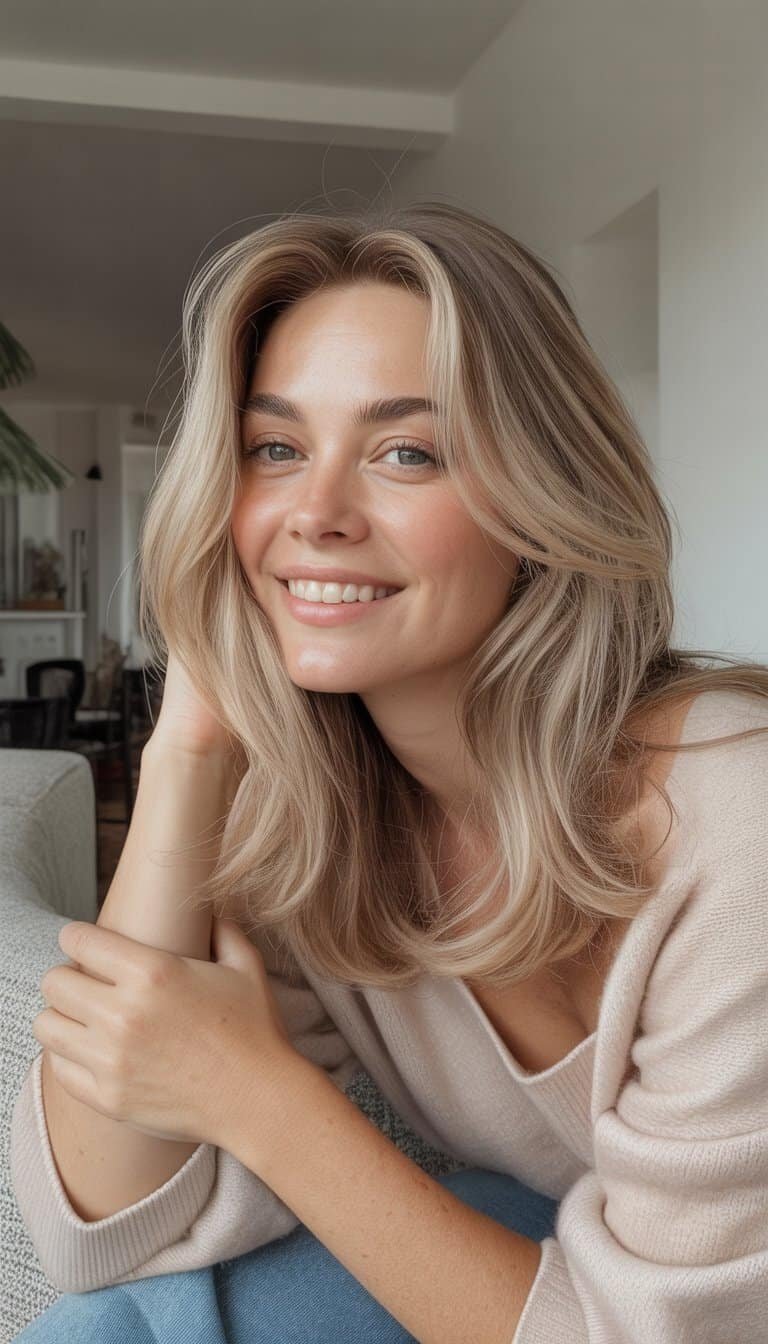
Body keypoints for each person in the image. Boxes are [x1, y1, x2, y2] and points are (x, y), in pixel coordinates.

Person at [10, 201, 768, 1342]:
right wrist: (190, 747)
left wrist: (261, 1097)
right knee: (117, 1322)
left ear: (540, 494)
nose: (315, 515)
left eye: (404, 451)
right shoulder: (318, 815)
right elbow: (104, 1233)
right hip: (581, 1262)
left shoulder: (730, 810)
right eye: (277, 449)